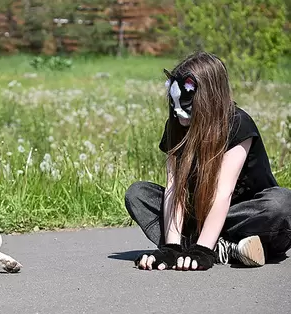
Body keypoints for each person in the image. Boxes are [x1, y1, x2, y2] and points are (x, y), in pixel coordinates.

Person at [124, 51, 291, 271]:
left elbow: (223, 193)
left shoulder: (237, 123)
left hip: (244, 217)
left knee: (281, 202)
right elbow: (175, 189)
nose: (179, 113)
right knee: (138, 194)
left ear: (209, 98)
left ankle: (207, 246)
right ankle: (228, 249)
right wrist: (171, 248)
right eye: (174, 105)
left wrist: (202, 250)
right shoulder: (176, 125)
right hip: (199, 215)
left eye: (186, 105)